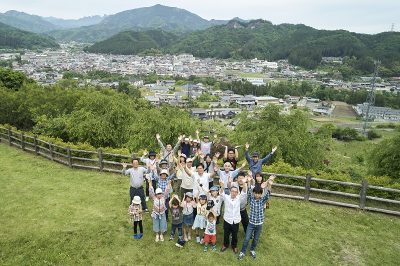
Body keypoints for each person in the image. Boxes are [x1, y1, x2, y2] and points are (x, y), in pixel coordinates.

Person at [238, 175, 276, 260]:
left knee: (255, 239)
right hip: (251, 224)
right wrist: (248, 181)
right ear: (254, 193)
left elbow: (268, 193)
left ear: (261, 194)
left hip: (259, 224)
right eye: (256, 193)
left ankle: (252, 250)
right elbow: (249, 191)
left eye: (259, 193)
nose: (257, 195)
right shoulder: (251, 199)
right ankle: (242, 252)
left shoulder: (263, 200)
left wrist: (269, 183)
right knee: (247, 239)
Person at [220, 180, 244, 254]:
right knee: (226, 233)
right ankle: (225, 244)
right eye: (232, 191)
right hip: (227, 219)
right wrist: (222, 186)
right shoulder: (226, 197)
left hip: (236, 220)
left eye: (235, 192)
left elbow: (244, 193)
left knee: (234, 234)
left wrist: (245, 183)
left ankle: (234, 246)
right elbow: (221, 193)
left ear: (237, 193)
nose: (234, 193)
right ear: (230, 191)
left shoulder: (239, 198)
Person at [148, 176, 171, 242]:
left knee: (163, 223)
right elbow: (151, 190)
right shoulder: (154, 198)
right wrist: (150, 183)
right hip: (155, 214)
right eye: (158, 194)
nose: (159, 195)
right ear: (156, 194)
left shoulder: (164, 197)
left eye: (160, 193)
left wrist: (169, 184)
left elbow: (167, 190)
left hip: (162, 213)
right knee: (156, 223)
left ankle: (161, 234)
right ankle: (157, 234)